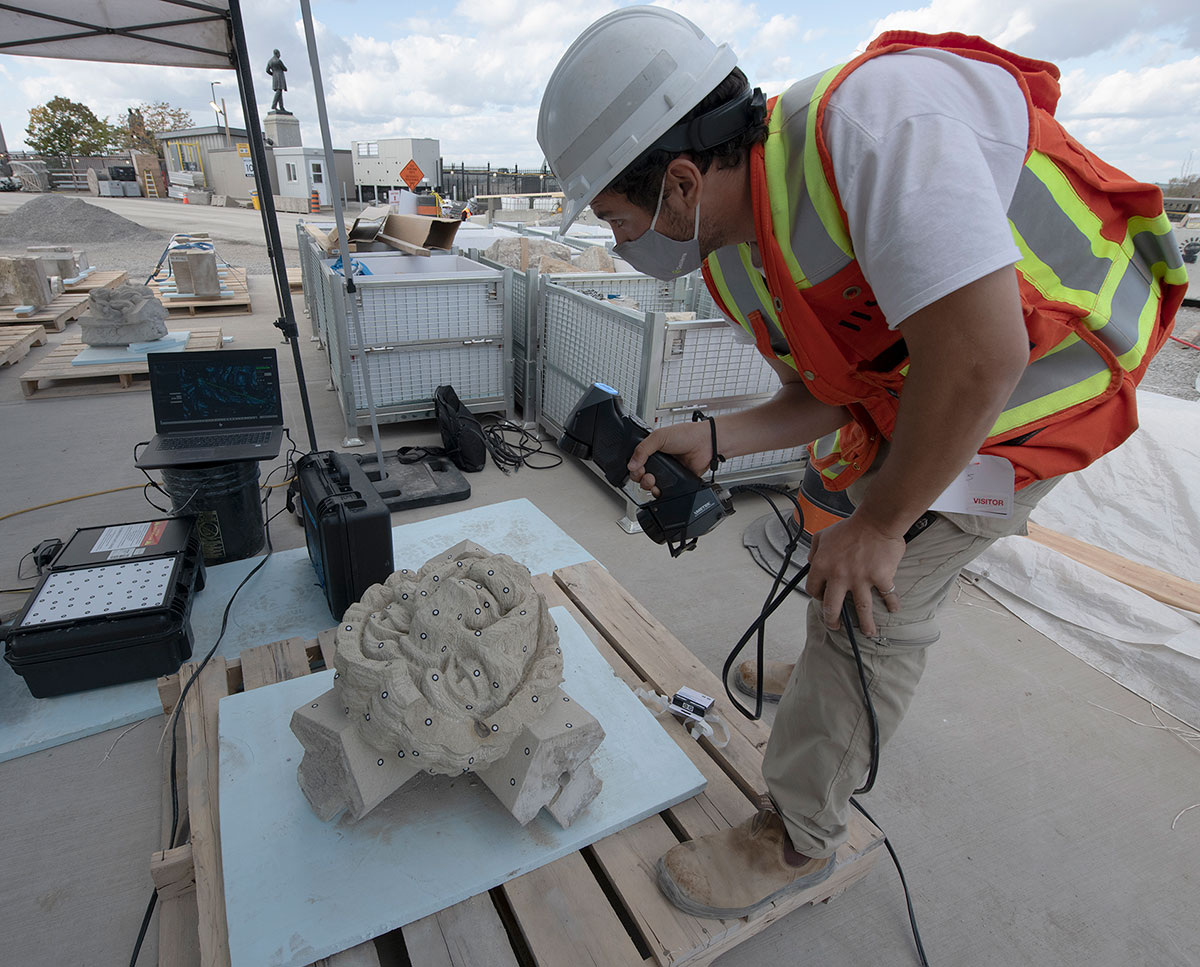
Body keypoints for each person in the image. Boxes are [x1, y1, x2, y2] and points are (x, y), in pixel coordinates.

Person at [537, 6, 1187, 919]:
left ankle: (797, 833)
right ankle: (823, 673)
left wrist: (882, 524)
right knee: (829, 514)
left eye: (616, 218)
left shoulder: (876, 133)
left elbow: (978, 360)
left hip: (1030, 393)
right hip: (938, 380)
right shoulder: (730, 245)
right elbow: (836, 388)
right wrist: (716, 438)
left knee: (870, 598)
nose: (618, 243)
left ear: (680, 184)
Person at [266, 49, 288, 113]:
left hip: (274, 77)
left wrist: (272, 74)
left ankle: (281, 107)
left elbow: (267, 70)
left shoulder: (270, 61)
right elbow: (285, 69)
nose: (280, 55)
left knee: (280, 91)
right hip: (280, 76)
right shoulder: (278, 61)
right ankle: (274, 105)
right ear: (277, 53)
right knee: (279, 91)